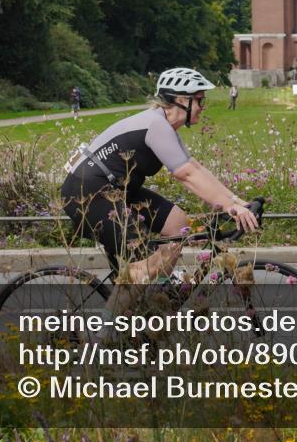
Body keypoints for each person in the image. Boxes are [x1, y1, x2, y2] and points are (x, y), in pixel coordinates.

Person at [61, 67, 260, 286]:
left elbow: (196, 168)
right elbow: (187, 175)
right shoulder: (156, 125)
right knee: (145, 266)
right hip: (87, 193)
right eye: (200, 101)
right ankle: (115, 317)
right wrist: (228, 207)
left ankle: (158, 300)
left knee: (178, 224)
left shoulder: (163, 126)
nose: (203, 108)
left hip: (116, 191)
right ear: (181, 100)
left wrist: (239, 203)